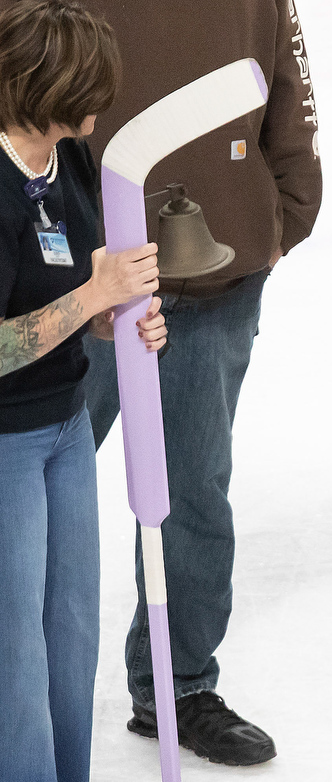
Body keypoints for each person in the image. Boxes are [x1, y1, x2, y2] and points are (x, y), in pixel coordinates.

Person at [79, 0, 323, 767]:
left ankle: (178, 686)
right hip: (75, 280)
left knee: (193, 493)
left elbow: (288, 89)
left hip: (215, 277)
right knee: (24, 487)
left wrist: (278, 218)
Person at [0, 2, 166, 779]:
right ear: (47, 85)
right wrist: (93, 298)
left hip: (66, 424)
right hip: (4, 440)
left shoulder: (69, 161)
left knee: (70, 628)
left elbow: (85, 303)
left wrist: (122, 322)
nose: (106, 98)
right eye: (93, 84)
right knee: (13, 642)